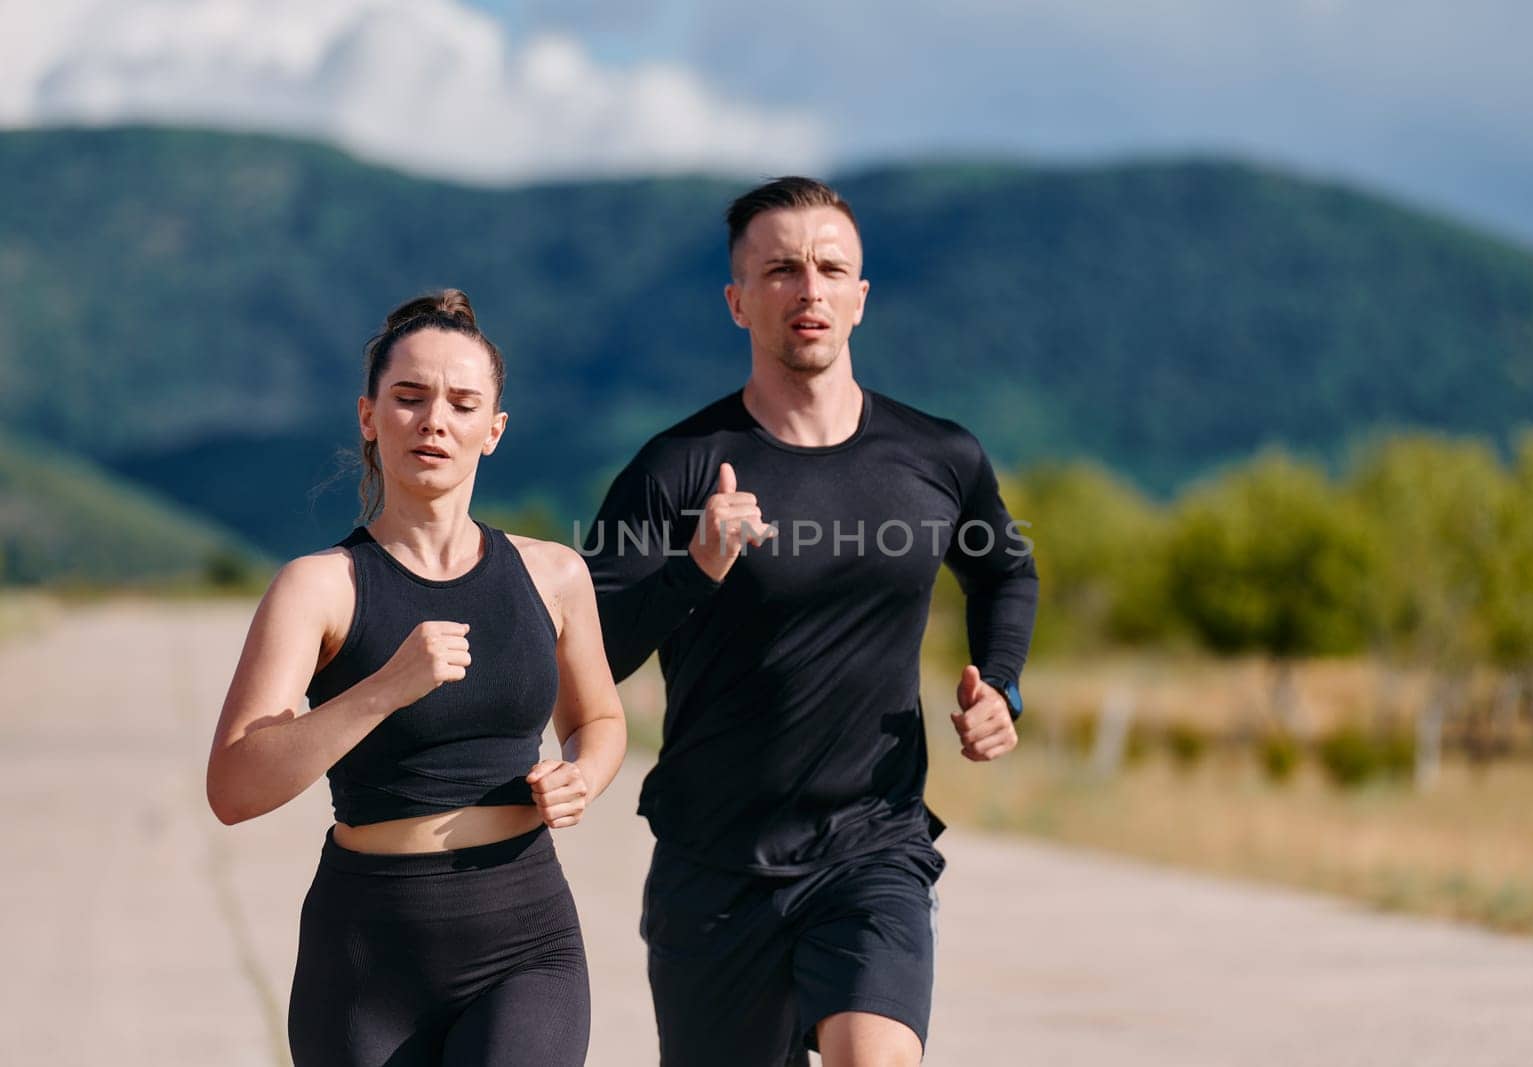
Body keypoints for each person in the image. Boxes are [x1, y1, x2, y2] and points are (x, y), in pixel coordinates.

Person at [584, 177, 1038, 1066]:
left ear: (861, 298)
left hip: (874, 844)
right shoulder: (677, 469)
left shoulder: (939, 457)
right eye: (782, 269)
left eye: (832, 268)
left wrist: (1005, 684)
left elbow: (1006, 569)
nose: (810, 289)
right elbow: (591, 643)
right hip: (715, 864)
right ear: (738, 300)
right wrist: (697, 567)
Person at [206, 290, 625, 1066]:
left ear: (493, 430)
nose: (435, 419)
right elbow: (234, 786)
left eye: (463, 403)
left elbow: (598, 720)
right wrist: (383, 688)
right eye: (409, 397)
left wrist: (584, 776)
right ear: (369, 416)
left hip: (525, 939)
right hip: (365, 954)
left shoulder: (554, 575)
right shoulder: (320, 587)